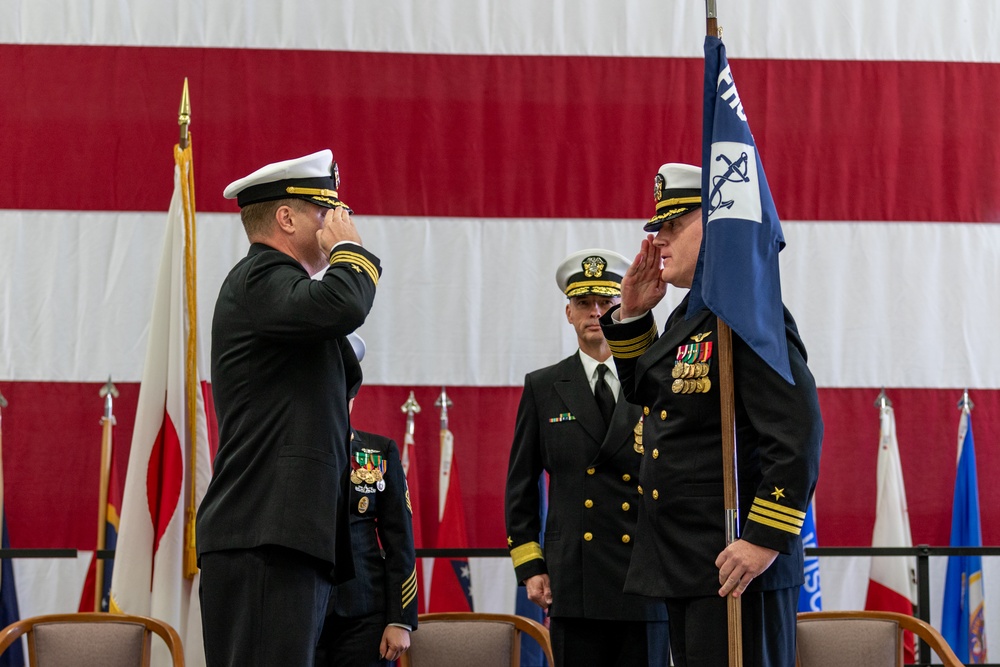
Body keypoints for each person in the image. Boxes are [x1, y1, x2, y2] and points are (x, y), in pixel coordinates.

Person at [600, 163, 823, 667]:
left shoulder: (747, 313)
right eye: (657, 228)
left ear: (719, 223)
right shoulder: (691, 315)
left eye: (673, 225)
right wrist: (634, 314)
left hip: (735, 560)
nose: (658, 241)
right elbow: (651, 394)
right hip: (689, 558)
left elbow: (798, 432)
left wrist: (762, 539)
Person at [197, 149, 382, 666]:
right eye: (326, 211)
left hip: (287, 532)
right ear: (286, 217)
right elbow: (345, 305)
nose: (338, 223)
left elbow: (340, 360)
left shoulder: (283, 295)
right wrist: (351, 253)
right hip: (264, 532)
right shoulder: (262, 277)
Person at [505, 249, 670, 667]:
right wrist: (530, 566)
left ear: (621, 306)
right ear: (569, 313)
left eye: (606, 302)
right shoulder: (543, 387)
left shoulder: (656, 379)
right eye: (584, 303)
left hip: (645, 578)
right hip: (574, 580)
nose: (595, 312)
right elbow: (521, 487)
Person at [315, 334, 417, 667]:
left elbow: (400, 540)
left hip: (364, 613)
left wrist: (400, 618)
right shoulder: (284, 455)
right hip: (298, 611)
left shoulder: (377, 452)